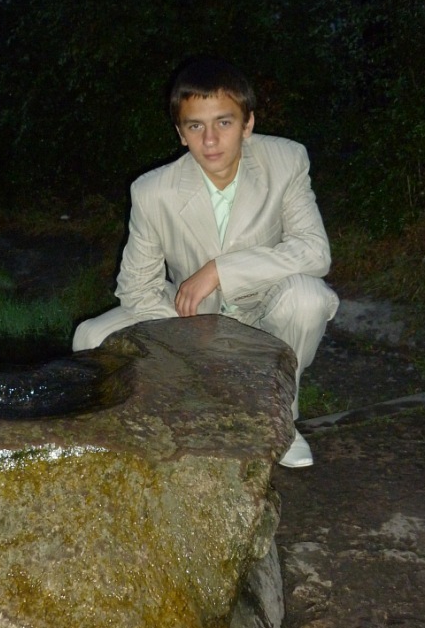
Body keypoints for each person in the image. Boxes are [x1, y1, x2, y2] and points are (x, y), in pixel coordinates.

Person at [73, 57, 339, 467]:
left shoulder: (286, 161)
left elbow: (314, 251)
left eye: (224, 123)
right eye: (196, 126)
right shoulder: (152, 191)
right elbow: (136, 288)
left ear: (248, 124)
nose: (211, 140)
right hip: (191, 314)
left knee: (309, 297)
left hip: (264, 307)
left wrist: (219, 271)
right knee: (90, 336)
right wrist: (190, 339)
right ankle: (145, 428)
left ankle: (279, 418)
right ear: (181, 133)